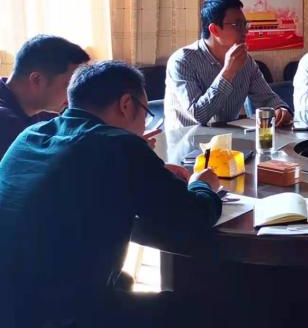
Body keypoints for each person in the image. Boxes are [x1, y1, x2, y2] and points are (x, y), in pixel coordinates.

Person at [0, 61, 222, 327]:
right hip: (60, 315)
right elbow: (193, 219)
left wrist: (152, 172)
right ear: (126, 104)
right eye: (145, 114)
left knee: (123, 281)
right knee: (205, 310)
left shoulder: (31, 135)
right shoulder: (120, 145)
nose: (144, 125)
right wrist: (202, 184)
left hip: (12, 305)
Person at [164, 0, 291, 130]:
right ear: (214, 29)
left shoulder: (246, 61)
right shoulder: (182, 61)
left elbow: (268, 99)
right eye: (238, 25)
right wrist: (227, 73)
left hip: (229, 140)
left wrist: (280, 109)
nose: (245, 31)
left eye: (245, 24)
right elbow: (198, 115)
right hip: (187, 140)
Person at [0, 35, 90, 159]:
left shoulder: (45, 111)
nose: (75, 92)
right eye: (69, 84)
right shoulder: (5, 122)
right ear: (37, 80)